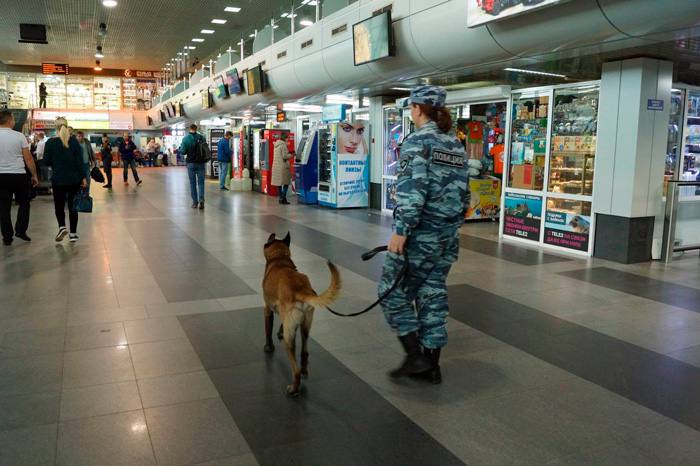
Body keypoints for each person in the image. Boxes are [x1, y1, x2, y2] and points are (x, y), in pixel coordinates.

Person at [378, 85, 470, 384]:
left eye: (411, 107)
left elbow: (413, 193)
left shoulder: (417, 142)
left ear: (417, 108)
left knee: (390, 292)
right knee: (432, 292)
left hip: (420, 235)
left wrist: (401, 232)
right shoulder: (454, 143)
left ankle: (415, 357)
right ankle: (432, 367)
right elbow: (464, 194)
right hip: (447, 235)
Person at [42, 117, 86, 243]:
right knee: (73, 206)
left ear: (55, 127)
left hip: (58, 179)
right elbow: (80, 162)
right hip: (74, 180)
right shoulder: (74, 142)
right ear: (67, 126)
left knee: (59, 205)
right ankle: (73, 234)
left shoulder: (50, 142)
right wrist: (83, 177)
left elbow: (46, 161)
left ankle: (62, 227)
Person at [0, 111, 38, 245]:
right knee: (24, 203)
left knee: (3, 207)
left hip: (1, 177)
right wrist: (34, 175)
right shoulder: (19, 136)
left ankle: (7, 237)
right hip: (18, 175)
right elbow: (28, 158)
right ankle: (20, 230)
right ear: (9, 120)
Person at [180, 124, 207, 209]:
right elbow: (205, 149)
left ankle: (195, 203)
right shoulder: (202, 137)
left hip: (191, 163)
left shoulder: (185, 139)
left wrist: (180, 148)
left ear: (189, 129)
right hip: (201, 163)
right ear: (196, 129)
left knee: (192, 183)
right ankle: (201, 199)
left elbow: (183, 152)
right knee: (201, 183)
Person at [271, 132, 293, 204]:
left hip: (276, 166)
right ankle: (283, 198)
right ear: (285, 138)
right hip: (283, 167)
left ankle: (281, 198)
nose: (288, 139)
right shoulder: (283, 145)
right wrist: (292, 155)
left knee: (279, 183)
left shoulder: (276, 145)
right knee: (286, 183)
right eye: (287, 138)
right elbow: (285, 156)